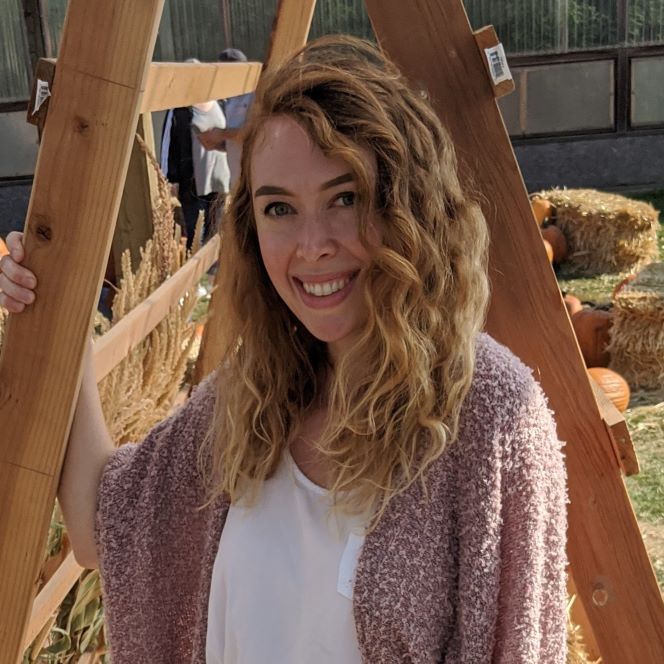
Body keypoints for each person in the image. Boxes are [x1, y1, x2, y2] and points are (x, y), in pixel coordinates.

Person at [0, 36, 568, 663]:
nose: (312, 244)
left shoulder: (491, 421)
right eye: (279, 208)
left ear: (408, 203)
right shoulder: (251, 399)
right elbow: (98, 525)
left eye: (344, 198)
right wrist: (58, 314)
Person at [160, 58, 231, 249]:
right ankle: (200, 276)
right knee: (196, 234)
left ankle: (216, 274)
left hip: (219, 181)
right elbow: (168, 144)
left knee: (218, 233)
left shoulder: (220, 103)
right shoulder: (178, 109)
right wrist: (169, 178)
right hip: (192, 183)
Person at [195, 48, 254, 189]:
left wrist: (221, 134)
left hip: (254, 176)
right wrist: (217, 144)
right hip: (236, 180)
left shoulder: (255, 96)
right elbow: (237, 143)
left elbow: (254, 131)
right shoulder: (230, 99)